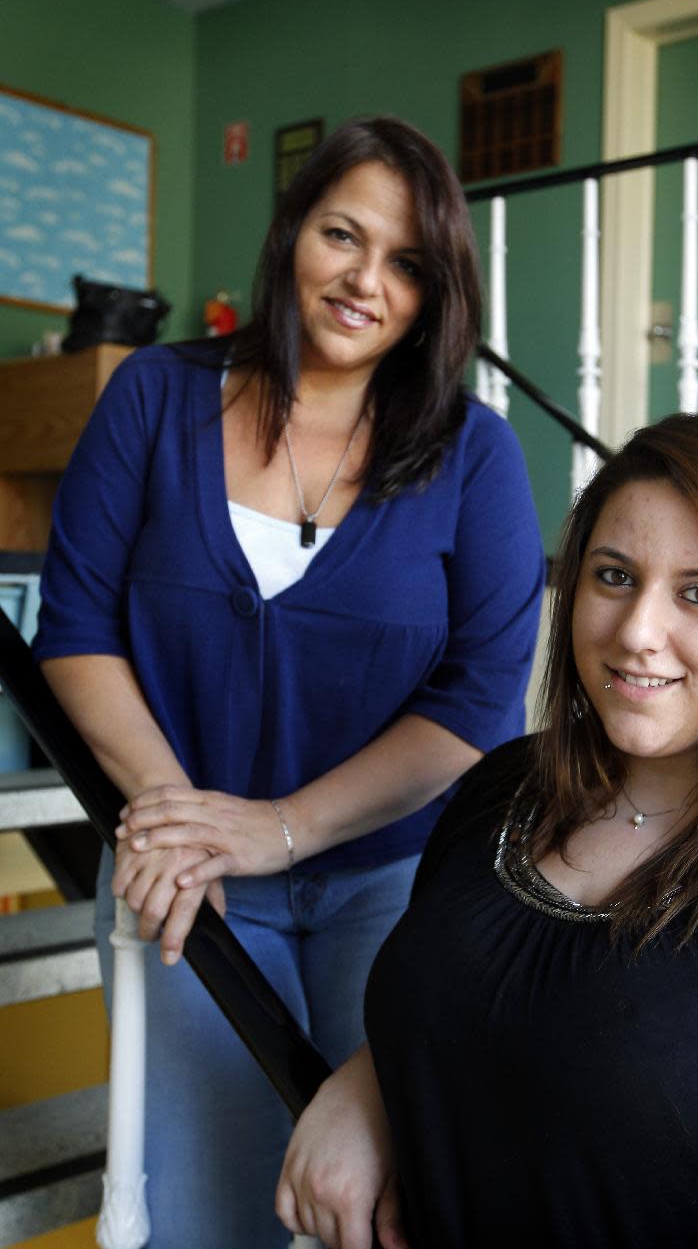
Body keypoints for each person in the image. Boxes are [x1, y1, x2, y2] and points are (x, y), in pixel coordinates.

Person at [33, 116, 545, 1248]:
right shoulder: (154, 400)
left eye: (406, 261)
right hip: (190, 883)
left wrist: (278, 826)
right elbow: (73, 628)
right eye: (340, 234)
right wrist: (179, 818)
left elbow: (475, 704)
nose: (366, 279)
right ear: (290, 236)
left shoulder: (475, 453)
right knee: (210, 1214)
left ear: (436, 290)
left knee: (389, 1205)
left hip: (396, 883)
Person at [276, 412, 698, 1249]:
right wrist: (368, 1088)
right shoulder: (501, 790)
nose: (637, 631)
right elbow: (461, 1007)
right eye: (613, 576)